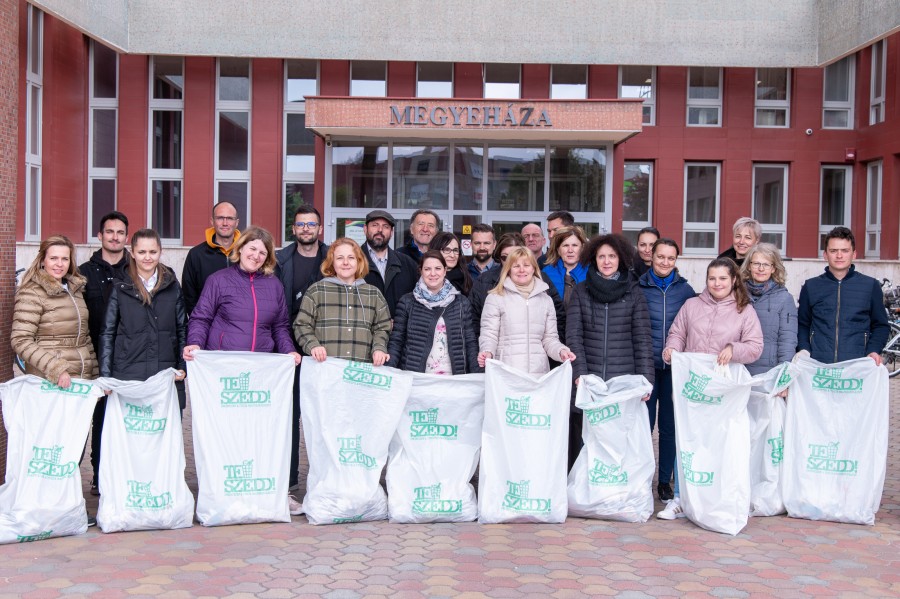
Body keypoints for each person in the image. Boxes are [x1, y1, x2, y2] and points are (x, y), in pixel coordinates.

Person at [183, 226, 303, 516]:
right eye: (252, 249)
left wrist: (288, 350)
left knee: (258, 434)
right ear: (240, 249)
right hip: (224, 373)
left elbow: (280, 326)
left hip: (260, 374)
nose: (256, 255)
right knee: (226, 433)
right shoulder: (218, 280)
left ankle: (264, 492)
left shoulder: (273, 286)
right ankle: (222, 492)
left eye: (263, 252)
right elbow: (201, 317)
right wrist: (195, 343)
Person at [658, 257, 764, 520]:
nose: (717, 283)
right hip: (693, 385)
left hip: (722, 391)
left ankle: (715, 497)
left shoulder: (744, 310)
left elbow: (755, 346)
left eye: (723, 278)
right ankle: (680, 499)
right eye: (712, 278)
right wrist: (671, 349)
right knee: (688, 439)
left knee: (719, 442)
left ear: (734, 280)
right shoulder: (692, 305)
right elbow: (678, 333)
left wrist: (733, 349)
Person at [11, 236, 99, 526]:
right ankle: (44, 510)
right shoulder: (32, 291)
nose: (59, 264)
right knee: (51, 450)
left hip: (78, 384)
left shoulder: (74, 288)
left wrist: (95, 376)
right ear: (42, 259)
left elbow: (83, 339)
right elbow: (21, 340)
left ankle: (66, 508)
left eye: (64, 258)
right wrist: (56, 368)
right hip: (51, 384)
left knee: (73, 449)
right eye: (54, 258)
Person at [566, 233, 654, 469]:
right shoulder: (581, 291)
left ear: (620, 258)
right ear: (593, 259)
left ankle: (616, 487)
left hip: (622, 381)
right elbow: (574, 335)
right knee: (587, 439)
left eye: (612, 256)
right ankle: (586, 487)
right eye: (601, 256)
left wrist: (646, 379)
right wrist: (579, 373)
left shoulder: (633, 292)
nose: (606, 261)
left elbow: (642, 339)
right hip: (590, 381)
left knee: (618, 441)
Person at [98, 229, 187, 410]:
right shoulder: (119, 286)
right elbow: (107, 333)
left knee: (165, 425)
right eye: (141, 252)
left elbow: (182, 328)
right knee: (132, 425)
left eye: (153, 252)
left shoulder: (172, 285)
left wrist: (182, 365)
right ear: (132, 253)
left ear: (160, 252)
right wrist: (106, 375)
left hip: (166, 373)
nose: (147, 257)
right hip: (128, 373)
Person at [638, 238, 696, 501]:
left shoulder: (685, 290)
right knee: (644, 425)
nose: (665, 262)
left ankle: (664, 481)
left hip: (675, 369)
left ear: (676, 260)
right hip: (647, 367)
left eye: (671, 258)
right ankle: (642, 479)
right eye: (660, 256)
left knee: (669, 427)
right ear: (651, 256)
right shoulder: (638, 286)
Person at [275, 204, 328, 494]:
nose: (306, 229)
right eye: (301, 224)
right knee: (290, 415)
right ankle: (290, 481)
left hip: (326, 350)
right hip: (289, 347)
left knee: (325, 415)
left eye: (311, 224)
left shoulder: (333, 257)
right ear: (294, 229)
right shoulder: (280, 260)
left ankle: (328, 481)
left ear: (319, 228)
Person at [79, 210, 130, 496]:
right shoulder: (83, 273)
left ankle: (122, 476)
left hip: (127, 358)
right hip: (94, 358)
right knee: (97, 418)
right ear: (100, 235)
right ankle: (99, 476)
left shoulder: (135, 270)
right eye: (109, 232)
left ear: (126, 237)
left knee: (123, 419)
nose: (114, 237)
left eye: (120, 232)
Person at [797, 226, 889, 365]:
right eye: (833, 251)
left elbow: (881, 325)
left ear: (854, 254)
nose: (839, 256)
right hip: (819, 365)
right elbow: (802, 324)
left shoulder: (870, 286)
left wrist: (873, 350)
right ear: (825, 254)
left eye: (845, 251)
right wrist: (804, 349)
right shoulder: (811, 286)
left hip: (857, 364)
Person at [478, 246, 575, 374]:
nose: (522, 270)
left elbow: (550, 339)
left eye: (526, 265)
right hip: (506, 373)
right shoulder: (495, 298)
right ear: (508, 269)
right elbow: (489, 335)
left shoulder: (546, 300)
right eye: (516, 266)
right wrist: (487, 352)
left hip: (538, 374)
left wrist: (561, 351)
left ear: (533, 268)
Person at [294, 238, 392, 365]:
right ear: (332, 262)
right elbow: (301, 325)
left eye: (351, 257)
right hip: (325, 368)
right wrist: (313, 345)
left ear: (359, 261)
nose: (346, 262)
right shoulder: (316, 291)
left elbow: (383, 327)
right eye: (340, 258)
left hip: (360, 370)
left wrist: (379, 348)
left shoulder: (373, 294)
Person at [387, 250, 481, 374]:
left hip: (454, 379)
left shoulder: (461, 302)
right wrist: (388, 370)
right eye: (427, 269)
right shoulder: (407, 302)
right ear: (421, 271)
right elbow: (396, 342)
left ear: (445, 270)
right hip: (416, 378)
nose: (433, 273)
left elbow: (470, 342)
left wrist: (477, 374)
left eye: (438, 268)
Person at [469, 233, 566, 341]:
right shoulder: (484, 281)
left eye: (515, 257)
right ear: (499, 257)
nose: (510, 262)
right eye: (505, 257)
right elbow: (473, 321)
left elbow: (558, 317)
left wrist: (553, 347)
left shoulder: (541, 280)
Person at [740, 243, 798, 375]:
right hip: (739, 370)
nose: (761, 269)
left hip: (769, 372)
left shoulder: (784, 298)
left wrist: (783, 374)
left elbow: (787, 340)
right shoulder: (737, 294)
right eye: (756, 263)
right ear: (749, 266)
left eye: (766, 264)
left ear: (773, 268)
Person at [182, 201, 241, 316]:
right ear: (212, 221)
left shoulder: (247, 254)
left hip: (240, 324)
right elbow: (189, 296)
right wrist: (200, 322)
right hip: (207, 323)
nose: (225, 223)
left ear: (237, 222)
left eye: (230, 218)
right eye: (220, 218)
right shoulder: (196, 255)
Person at [360, 209, 418, 318]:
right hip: (364, 327)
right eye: (375, 225)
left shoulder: (407, 263)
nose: (380, 230)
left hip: (398, 327)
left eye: (385, 226)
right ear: (365, 229)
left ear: (391, 232)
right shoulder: (352, 262)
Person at [541, 226, 588, 306]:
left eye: (574, 245)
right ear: (558, 249)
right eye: (565, 245)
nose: (570, 250)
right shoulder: (546, 273)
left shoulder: (591, 271)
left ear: (582, 248)